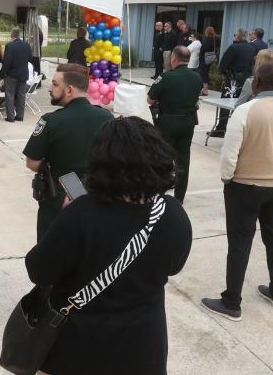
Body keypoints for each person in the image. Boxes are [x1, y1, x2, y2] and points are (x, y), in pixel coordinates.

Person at [26, 117, 192, 375]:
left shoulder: (80, 213)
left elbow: (39, 270)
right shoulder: (171, 212)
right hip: (143, 346)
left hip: (77, 346)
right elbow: (174, 266)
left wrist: (65, 216)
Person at [202, 63, 273, 321]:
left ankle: (231, 302)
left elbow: (230, 153)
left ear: (256, 83)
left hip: (245, 186)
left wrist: (228, 178)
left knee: (240, 242)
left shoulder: (245, 111)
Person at [23, 64, 113, 239]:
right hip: (97, 197)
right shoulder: (107, 118)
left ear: (70, 90)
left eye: (55, 84)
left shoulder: (51, 121)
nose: (50, 89)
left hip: (58, 200)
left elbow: (32, 163)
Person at [148, 46, 203, 204]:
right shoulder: (197, 77)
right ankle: (179, 198)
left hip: (167, 122)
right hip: (188, 123)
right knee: (183, 160)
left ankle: (160, 195)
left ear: (174, 59)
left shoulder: (166, 77)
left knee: (163, 159)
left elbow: (150, 100)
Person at [211, 28, 255, 137]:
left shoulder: (233, 47)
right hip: (246, 80)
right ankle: (237, 130)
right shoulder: (251, 48)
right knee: (241, 105)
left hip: (232, 80)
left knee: (226, 104)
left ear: (237, 37)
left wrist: (224, 73)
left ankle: (221, 129)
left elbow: (222, 65)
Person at [2, 28, 32, 123]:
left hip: (11, 75)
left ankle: (11, 117)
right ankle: (20, 116)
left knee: (10, 95)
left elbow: (7, 62)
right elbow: (30, 58)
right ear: (18, 35)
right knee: (21, 95)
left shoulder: (9, 46)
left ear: (12, 35)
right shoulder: (26, 45)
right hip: (23, 73)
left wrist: (2, 72)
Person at [199, 26, 219, 93]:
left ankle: (205, 90)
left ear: (207, 31)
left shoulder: (207, 39)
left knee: (203, 74)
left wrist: (200, 52)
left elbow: (203, 49)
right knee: (206, 73)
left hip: (204, 58)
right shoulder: (214, 39)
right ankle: (205, 89)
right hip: (210, 58)